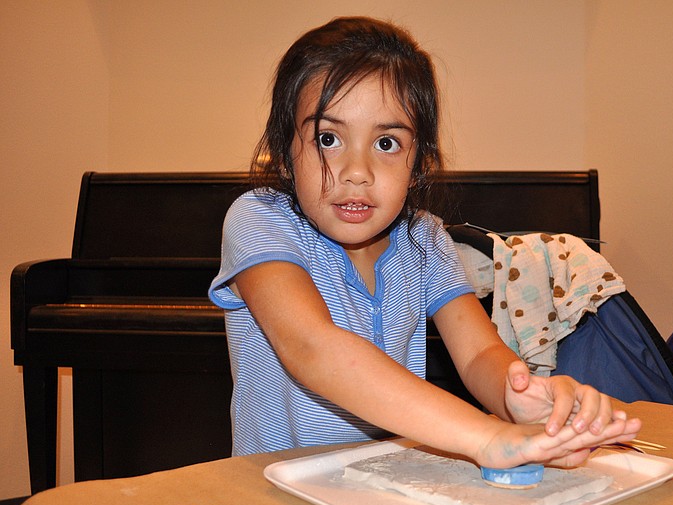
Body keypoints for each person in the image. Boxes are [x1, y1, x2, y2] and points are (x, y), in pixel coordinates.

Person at [209, 16, 641, 470]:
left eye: (387, 143)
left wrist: (523, 401)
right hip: (276, 498)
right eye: (328, 138)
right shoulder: (259, 219)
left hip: (389, 493)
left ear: (419, 163)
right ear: (283, 153)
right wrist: (487, 436)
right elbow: (314, 348)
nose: (358, 170)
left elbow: (479, 355)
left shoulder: (425, 239)